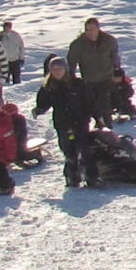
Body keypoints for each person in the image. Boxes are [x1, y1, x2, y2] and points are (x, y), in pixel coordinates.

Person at [33, 57, 93, 188]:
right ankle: (72, 177)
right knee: (69, 151)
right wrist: (39, 109)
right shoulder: (48, 86)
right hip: (62, 122)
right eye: (53, 69)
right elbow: (43, 102)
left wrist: (98, 117)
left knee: (84, 149)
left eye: (59, 69)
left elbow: (90, 102)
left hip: (80, 120)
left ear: (65, 69)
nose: (57, 72)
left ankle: (92, 177)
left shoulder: (79, 84)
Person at [66, 18, 122, 130]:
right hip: (89, 78)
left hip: (106, 77)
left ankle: (106, 126)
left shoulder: (109, 40)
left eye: (92, 29)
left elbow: (114, 56)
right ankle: (96, 124)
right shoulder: (78, 45)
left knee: (104, 102)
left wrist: (117, 70)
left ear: (98, 29)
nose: (90, 32)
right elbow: (71, 62)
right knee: (91, 104)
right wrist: (71, 77)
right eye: (87, 30)